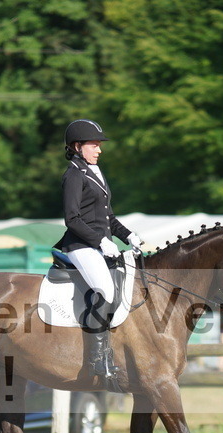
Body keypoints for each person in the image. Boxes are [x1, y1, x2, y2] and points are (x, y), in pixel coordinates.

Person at [55, 119, 144, 389]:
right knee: (104, 289)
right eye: (94, 144)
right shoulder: (73, 174)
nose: (99, 149)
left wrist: (127, 234)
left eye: (99, 145)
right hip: (80, 246)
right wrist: (101, 240)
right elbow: (72, 219)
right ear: (77, 146)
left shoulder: (94, 171)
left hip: (98, 244)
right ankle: (97, 358)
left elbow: (108, 216)